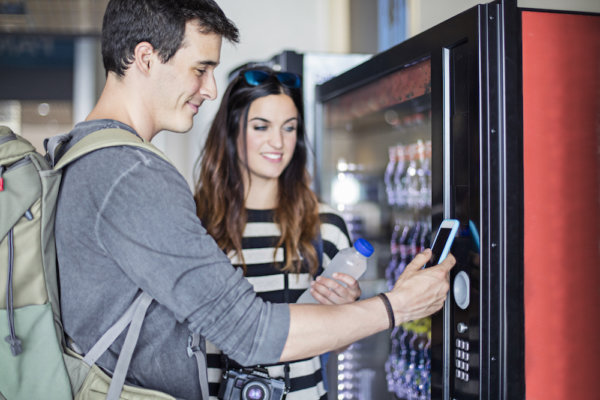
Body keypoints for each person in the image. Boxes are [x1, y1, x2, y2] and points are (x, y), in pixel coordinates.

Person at [54, 1, 455, 399]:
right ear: (145, 57)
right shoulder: (133, 175)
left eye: (290, 128)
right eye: (200, 69)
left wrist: (347, 312)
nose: (209, 90)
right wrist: (397, 305)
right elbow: (248, 331)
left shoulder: (81, 155)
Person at [195, 66, 361, 399]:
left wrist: (348, 313)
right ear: (231, 130)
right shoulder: (194, 223)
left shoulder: (325, 227)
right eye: (261, 127)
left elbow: (340, 342)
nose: (278, 143)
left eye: (290, 128)